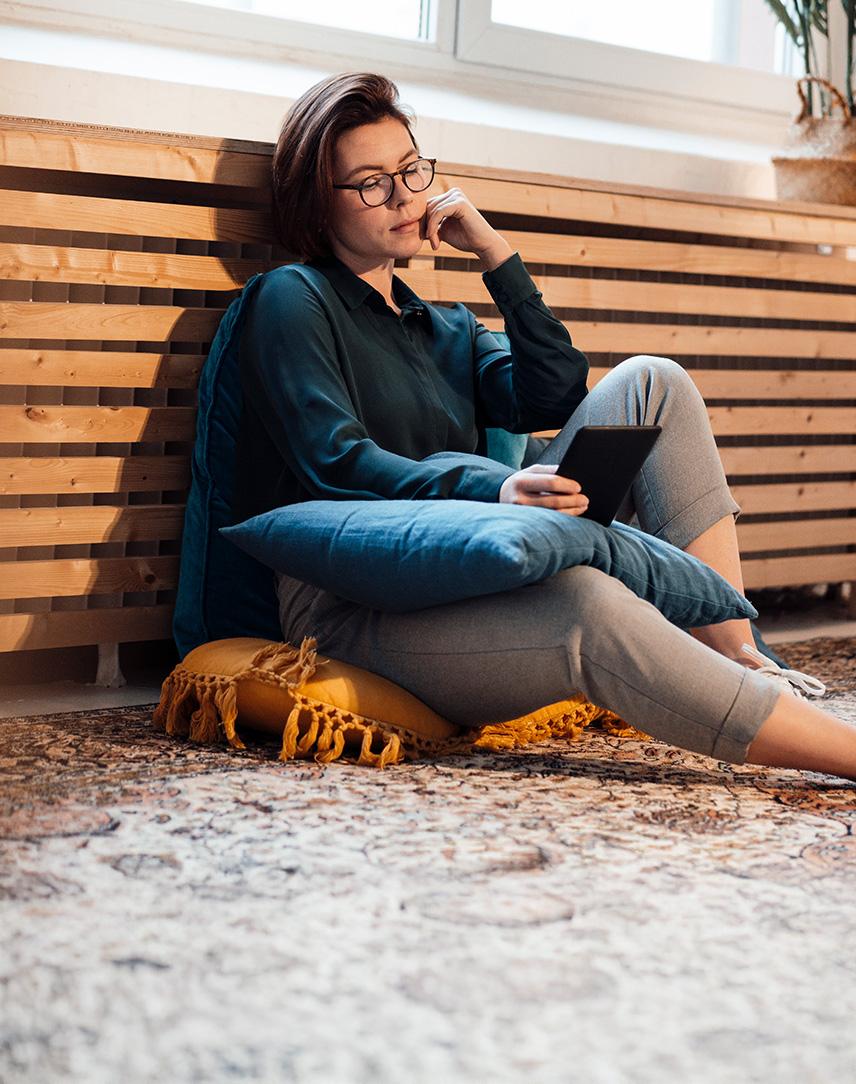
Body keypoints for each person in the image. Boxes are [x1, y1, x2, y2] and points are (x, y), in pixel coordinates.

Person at [235, 71, 856, 783]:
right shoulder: (291, 299)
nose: (405, 195)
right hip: (356, 603)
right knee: (589, 603)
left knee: (654, 380)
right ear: (319, 204)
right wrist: (497, 490)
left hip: (468, 571)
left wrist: (496, 256)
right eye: (373, 183)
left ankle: (737, 655)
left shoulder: (445, 329)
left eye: (410, 170)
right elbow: (334, 463)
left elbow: (556, 394)